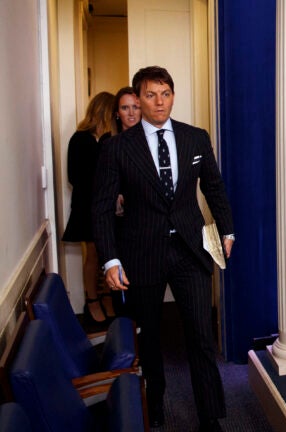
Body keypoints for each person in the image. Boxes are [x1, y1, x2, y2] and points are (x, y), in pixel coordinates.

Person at [92, 66, 235, 432]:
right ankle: (153, 403)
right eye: (151, 95)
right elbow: (102, 207)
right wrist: (110, 259)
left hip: (190, 251)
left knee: (201, 336)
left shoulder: (195, 138)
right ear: (138, 99)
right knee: (151, 337)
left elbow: (214, 188)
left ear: (173, 96)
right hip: (142, 253)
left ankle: (210, 417)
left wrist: (227, 231)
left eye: (166, 93)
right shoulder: (117, 148)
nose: (159, 102)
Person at [62, 91, 116, 325]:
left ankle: (107, 297)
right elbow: (73, 176)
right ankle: (92, 300)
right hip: (86, 207)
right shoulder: (80, 139)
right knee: (93, 255)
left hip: (106, 207)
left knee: (108, 254)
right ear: (104, 111)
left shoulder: (109, 138)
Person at [107, 86, 141, 316]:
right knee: (122, 283)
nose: (131, 113)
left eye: (135, 107)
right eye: (125, 108)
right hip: (118, 226)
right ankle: (126, 326)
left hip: (144, 226)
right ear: (117, 113)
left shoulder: (152, 142)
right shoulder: (108, 144)